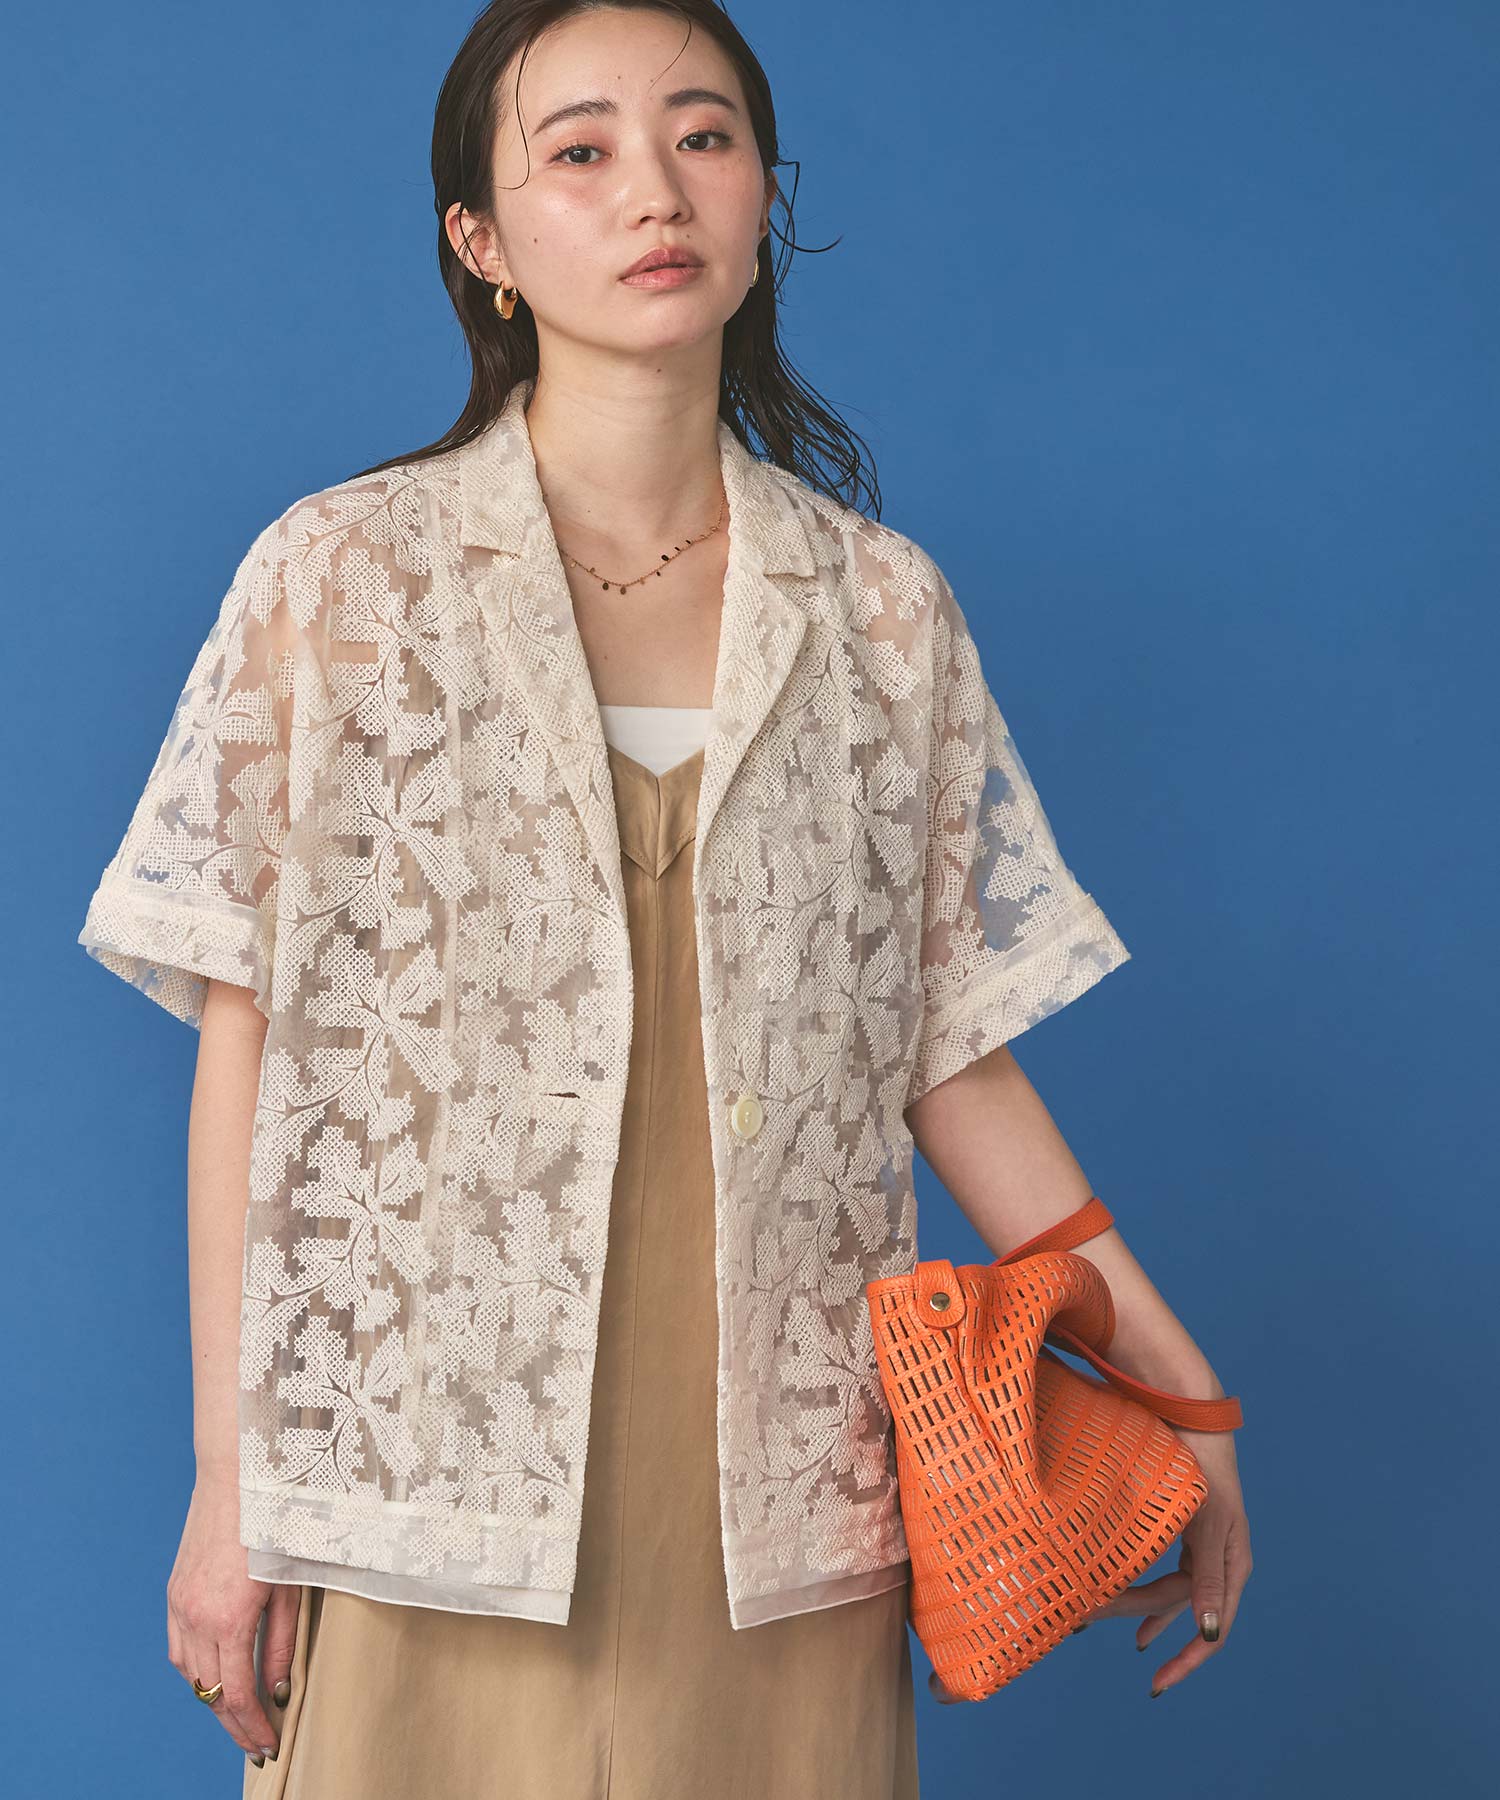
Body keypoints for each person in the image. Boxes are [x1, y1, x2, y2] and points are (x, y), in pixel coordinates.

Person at [77, 3, 1252, 1794]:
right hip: (420, 1478)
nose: (656, 188)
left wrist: (1179, 1390)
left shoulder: (881, 615)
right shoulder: (345, 581)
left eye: (704, 136)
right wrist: (236, 1494)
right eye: (581, 150)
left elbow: (942, 1045)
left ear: (765, 195)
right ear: (482, 242)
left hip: (784, 1503)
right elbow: (253, 1041)